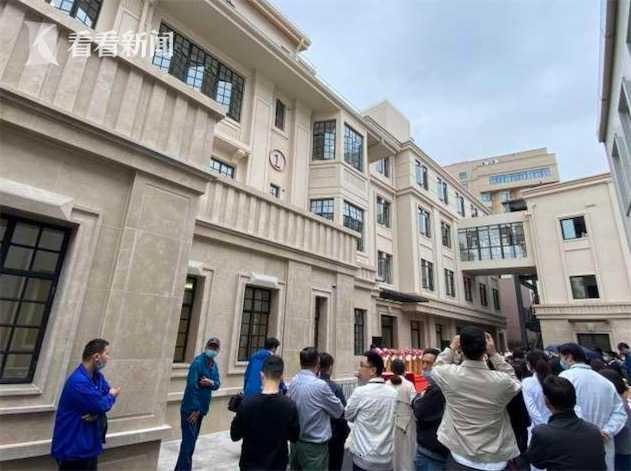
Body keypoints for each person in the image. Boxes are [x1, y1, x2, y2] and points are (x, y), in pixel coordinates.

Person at [432, 328, 521, 470]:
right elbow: (515, 382)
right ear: (485, 349)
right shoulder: (501, 381)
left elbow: (436, 368)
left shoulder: (450, 375)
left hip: (460, 457)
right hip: (495, 459)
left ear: (461, 348)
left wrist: (451, 347)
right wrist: (494, 355)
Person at [51, 339, 120, 470]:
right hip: (74, 449)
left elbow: (102, 397)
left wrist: (96, 412)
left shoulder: (97, 377)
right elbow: (102, 404)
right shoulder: (79, 381)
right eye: (107, 354)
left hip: (89, 446)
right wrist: (112, 395)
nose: (108, 358)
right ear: (96, 357)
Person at [559, 343, 627, 471]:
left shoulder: (565, 378)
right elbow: (620, 412)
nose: (560, 361)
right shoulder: (606, 382)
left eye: (561, 357)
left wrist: (589, 432)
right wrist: (607, 431)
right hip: (604, 444)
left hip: (576, 444)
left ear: (568, 357)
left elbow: (567, 409)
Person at [230, 355, 300, 471]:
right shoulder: (290, 406)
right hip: (277, 465)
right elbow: (294, 437)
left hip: (250, 466)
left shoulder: (247, 404)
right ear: (281, 377)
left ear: (261, 375)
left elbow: (235, 435)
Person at [526, 375, 606, 471]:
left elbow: (537, 462)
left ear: (546, 400)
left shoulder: (542, 433)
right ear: (574, 399)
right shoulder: (594, 431)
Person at [288, 347, 344, 471]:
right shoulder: (320, 386)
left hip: (295, 444)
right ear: (317, 363)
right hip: (314, 448)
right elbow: (339, 411)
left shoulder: (293, 381)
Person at [345, 350, 397, 471]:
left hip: (363, 457)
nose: (359, 369)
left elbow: (348, 415)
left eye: (362, 365)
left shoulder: (360, 392)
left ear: (373, 370)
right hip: (386, 458)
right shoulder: (393, 393)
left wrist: (360, 385)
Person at [175, 337, 221, 471]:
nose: (212, 350)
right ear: (206, 347)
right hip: (191, 410)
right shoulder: (198, 363)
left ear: (218, 350)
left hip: (201, 410)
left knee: (190, 444)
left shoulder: (214, 365)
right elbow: (191, 386)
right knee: (188, 444)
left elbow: (218, 383)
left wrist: (211, 382)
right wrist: (195, 409)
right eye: (210, 347)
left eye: (215, 348)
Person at [318, 352, 350, 471]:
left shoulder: (311, 386)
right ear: (330, 367)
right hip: (334, 436)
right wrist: (345, 432)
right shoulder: (334, 387)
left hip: (316, 435)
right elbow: (343, 414)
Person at [387, 359, 417, 471]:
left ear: (392, 369)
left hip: (390, 421)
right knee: (406, 452)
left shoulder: (386, 384)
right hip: (406, 423)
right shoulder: (409, 385)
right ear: (404, 369)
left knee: (393, 450)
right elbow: (415, 404)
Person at [599, 369, 631, 471]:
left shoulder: (618, 402)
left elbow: (622, 425)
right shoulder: (620, 400)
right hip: (623, 447)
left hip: (622, 449)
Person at [522, 350, 552, 427]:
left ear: (529, 364)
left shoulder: (527, 382)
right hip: (558, 425)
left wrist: (543, 427)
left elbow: (532, 410)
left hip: (542, 427)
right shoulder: (555, 379)